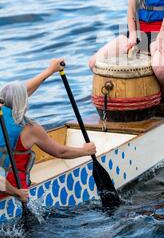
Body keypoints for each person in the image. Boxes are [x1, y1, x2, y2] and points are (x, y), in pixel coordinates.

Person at [0, 59, 96, 201]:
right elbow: (60, 152)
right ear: (23, 103)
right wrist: (86, 151)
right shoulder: (30, 129)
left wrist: (50, 70)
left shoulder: (2, 112)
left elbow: (19, 94)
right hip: (14, 191)